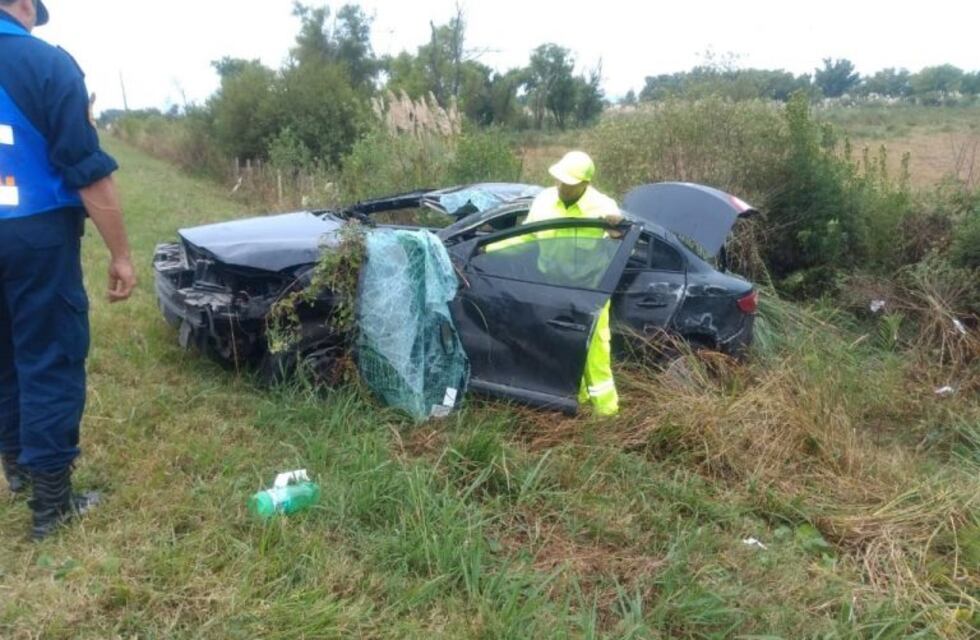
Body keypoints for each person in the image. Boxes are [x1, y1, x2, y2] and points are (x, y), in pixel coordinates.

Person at [0, 0, 136, 540]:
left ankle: (19, 472)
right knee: (49, 354)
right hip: (34, 232)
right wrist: (121, 254)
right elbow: (86, 169)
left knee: (4, 354)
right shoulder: (47, 64)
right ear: (24, 7)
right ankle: (51, 506)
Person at [527, 150, 623, 416]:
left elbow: (619, 237)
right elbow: (525, 237)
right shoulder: (544, 201)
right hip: (552, 287)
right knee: (562, 343)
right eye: (560, 180)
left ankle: (607, 412)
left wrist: (616, 231)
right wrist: (488, 248)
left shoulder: (603, 207)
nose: (562, 187)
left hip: (590, 290)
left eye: (569, 184)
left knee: (596, 350)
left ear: (585, 183)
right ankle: (575, 399)